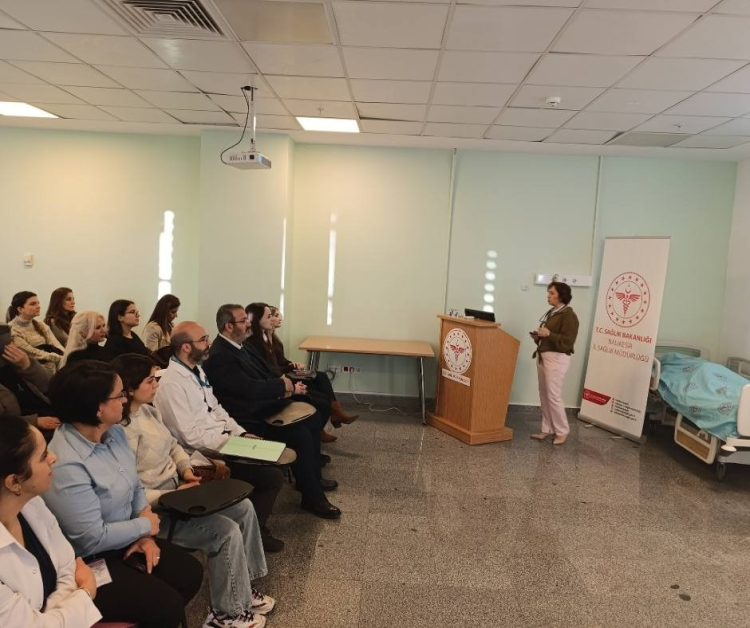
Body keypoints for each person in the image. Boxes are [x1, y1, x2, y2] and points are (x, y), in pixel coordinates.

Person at [113, 353, 275, 628]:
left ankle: (242, 591)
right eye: (150, 380)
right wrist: (171, 496)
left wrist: (185, 468)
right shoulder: (122, 432)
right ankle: (225, 615)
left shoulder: (149, 411)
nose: (156, 384)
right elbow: (132, 492)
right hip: (157, 509)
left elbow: (174, 446)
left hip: (178, 493)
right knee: (225, 532)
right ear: (129, 388)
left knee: (244, 507)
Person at [43, 361, 204, 628]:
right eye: (119, 395)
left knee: (189, 573)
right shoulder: (67, 463)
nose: (125, 399)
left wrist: (143, 535)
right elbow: (91, 538)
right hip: (89, 560)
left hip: (128, 536)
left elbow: (135, 485)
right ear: (97, 408)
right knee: (166, 606)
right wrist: (143, 526)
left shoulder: (114, 432)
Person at [153, 321, 287, 550]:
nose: (209, 343)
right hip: (202, 454)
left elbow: (217, 409)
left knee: (274, 458)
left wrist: (241, 433)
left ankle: (253, 527)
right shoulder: (171, 385)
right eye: (203, 339)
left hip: (222, 441)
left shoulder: (196, 370)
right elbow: (189, 437)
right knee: (271, 476)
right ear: (186, 347)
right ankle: (254, 532)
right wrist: (232, 444)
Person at [204, 305, 341, 520]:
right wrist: (282, 387)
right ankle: (313, 497)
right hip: (250, 416)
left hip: (264, 404)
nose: (248, 323)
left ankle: (311, 478)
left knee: (313, 416)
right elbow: (246, 388)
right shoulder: (220, 355)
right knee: (300, 434)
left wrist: (285, 384)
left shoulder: (241, 345)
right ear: (229, 326)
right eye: (243, 320)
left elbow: (266, 370)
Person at [0, 414, 102, 627]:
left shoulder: (31, 503)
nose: (54, 457)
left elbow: (67, 567)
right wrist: (85, 593)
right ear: (14, 481)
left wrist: (49, 618)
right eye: (43, 455)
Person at [265, 304, 359, 439]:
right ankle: (328, 420)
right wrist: (291, 367)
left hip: (286, 372)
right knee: (318, 386)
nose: (279, 318)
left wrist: (291, 364)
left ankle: (335, 412)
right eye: (274, 316)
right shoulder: (263, 342)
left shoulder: (274, 339)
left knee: (321, 376)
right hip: (283, 378)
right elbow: (273, 368)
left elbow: (281, 361)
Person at [530, 282, 579, 446]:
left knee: (553, 395)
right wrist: (539, 337)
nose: (548, 296)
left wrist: (549, 334)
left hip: (557, 359)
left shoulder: (569, 316)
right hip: (544, 356)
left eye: (552, 293)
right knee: (544, 394)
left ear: (561, 296)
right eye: (549, 292)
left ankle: (562, 431)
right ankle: (547, 428)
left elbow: (567, 342)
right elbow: (551, 337)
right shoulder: (554, 312)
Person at [0, 342, 60, 436]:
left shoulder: (10, 359)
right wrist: (35, 421)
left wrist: (27, 365)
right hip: (25, 431)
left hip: (53, 410)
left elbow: (52, 384)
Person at [7, 292, 64, 373]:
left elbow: (56, 344)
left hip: (54, 365)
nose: (38, 306)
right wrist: (60, 358)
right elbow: (32, 353)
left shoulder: (40, 325)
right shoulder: (12, 329)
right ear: (20, 309)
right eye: (33, 304)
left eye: (38, 303)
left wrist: (66, 356)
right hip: (35, 370)